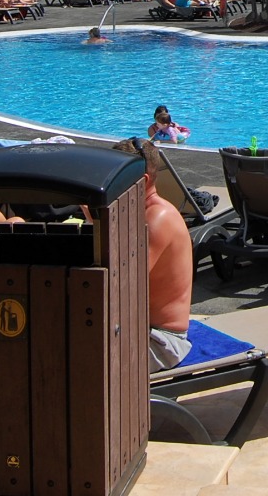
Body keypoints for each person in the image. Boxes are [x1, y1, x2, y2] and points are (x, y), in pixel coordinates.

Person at [112, 138, 194, 371]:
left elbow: (122, 281)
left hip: (162, 341)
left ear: (143, 180)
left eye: (116, 176)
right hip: (137, 329)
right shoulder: (134, 211)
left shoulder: (157, 218)